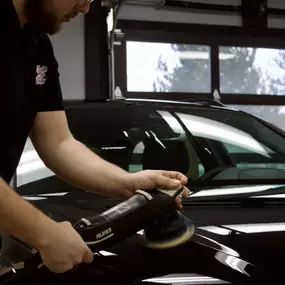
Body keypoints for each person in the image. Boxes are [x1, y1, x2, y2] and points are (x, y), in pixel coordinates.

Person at [1, 0, 190, 275]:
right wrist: (44, 232)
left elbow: (59, 143)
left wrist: (127, 183)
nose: (86, 9)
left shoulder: (35, 44)